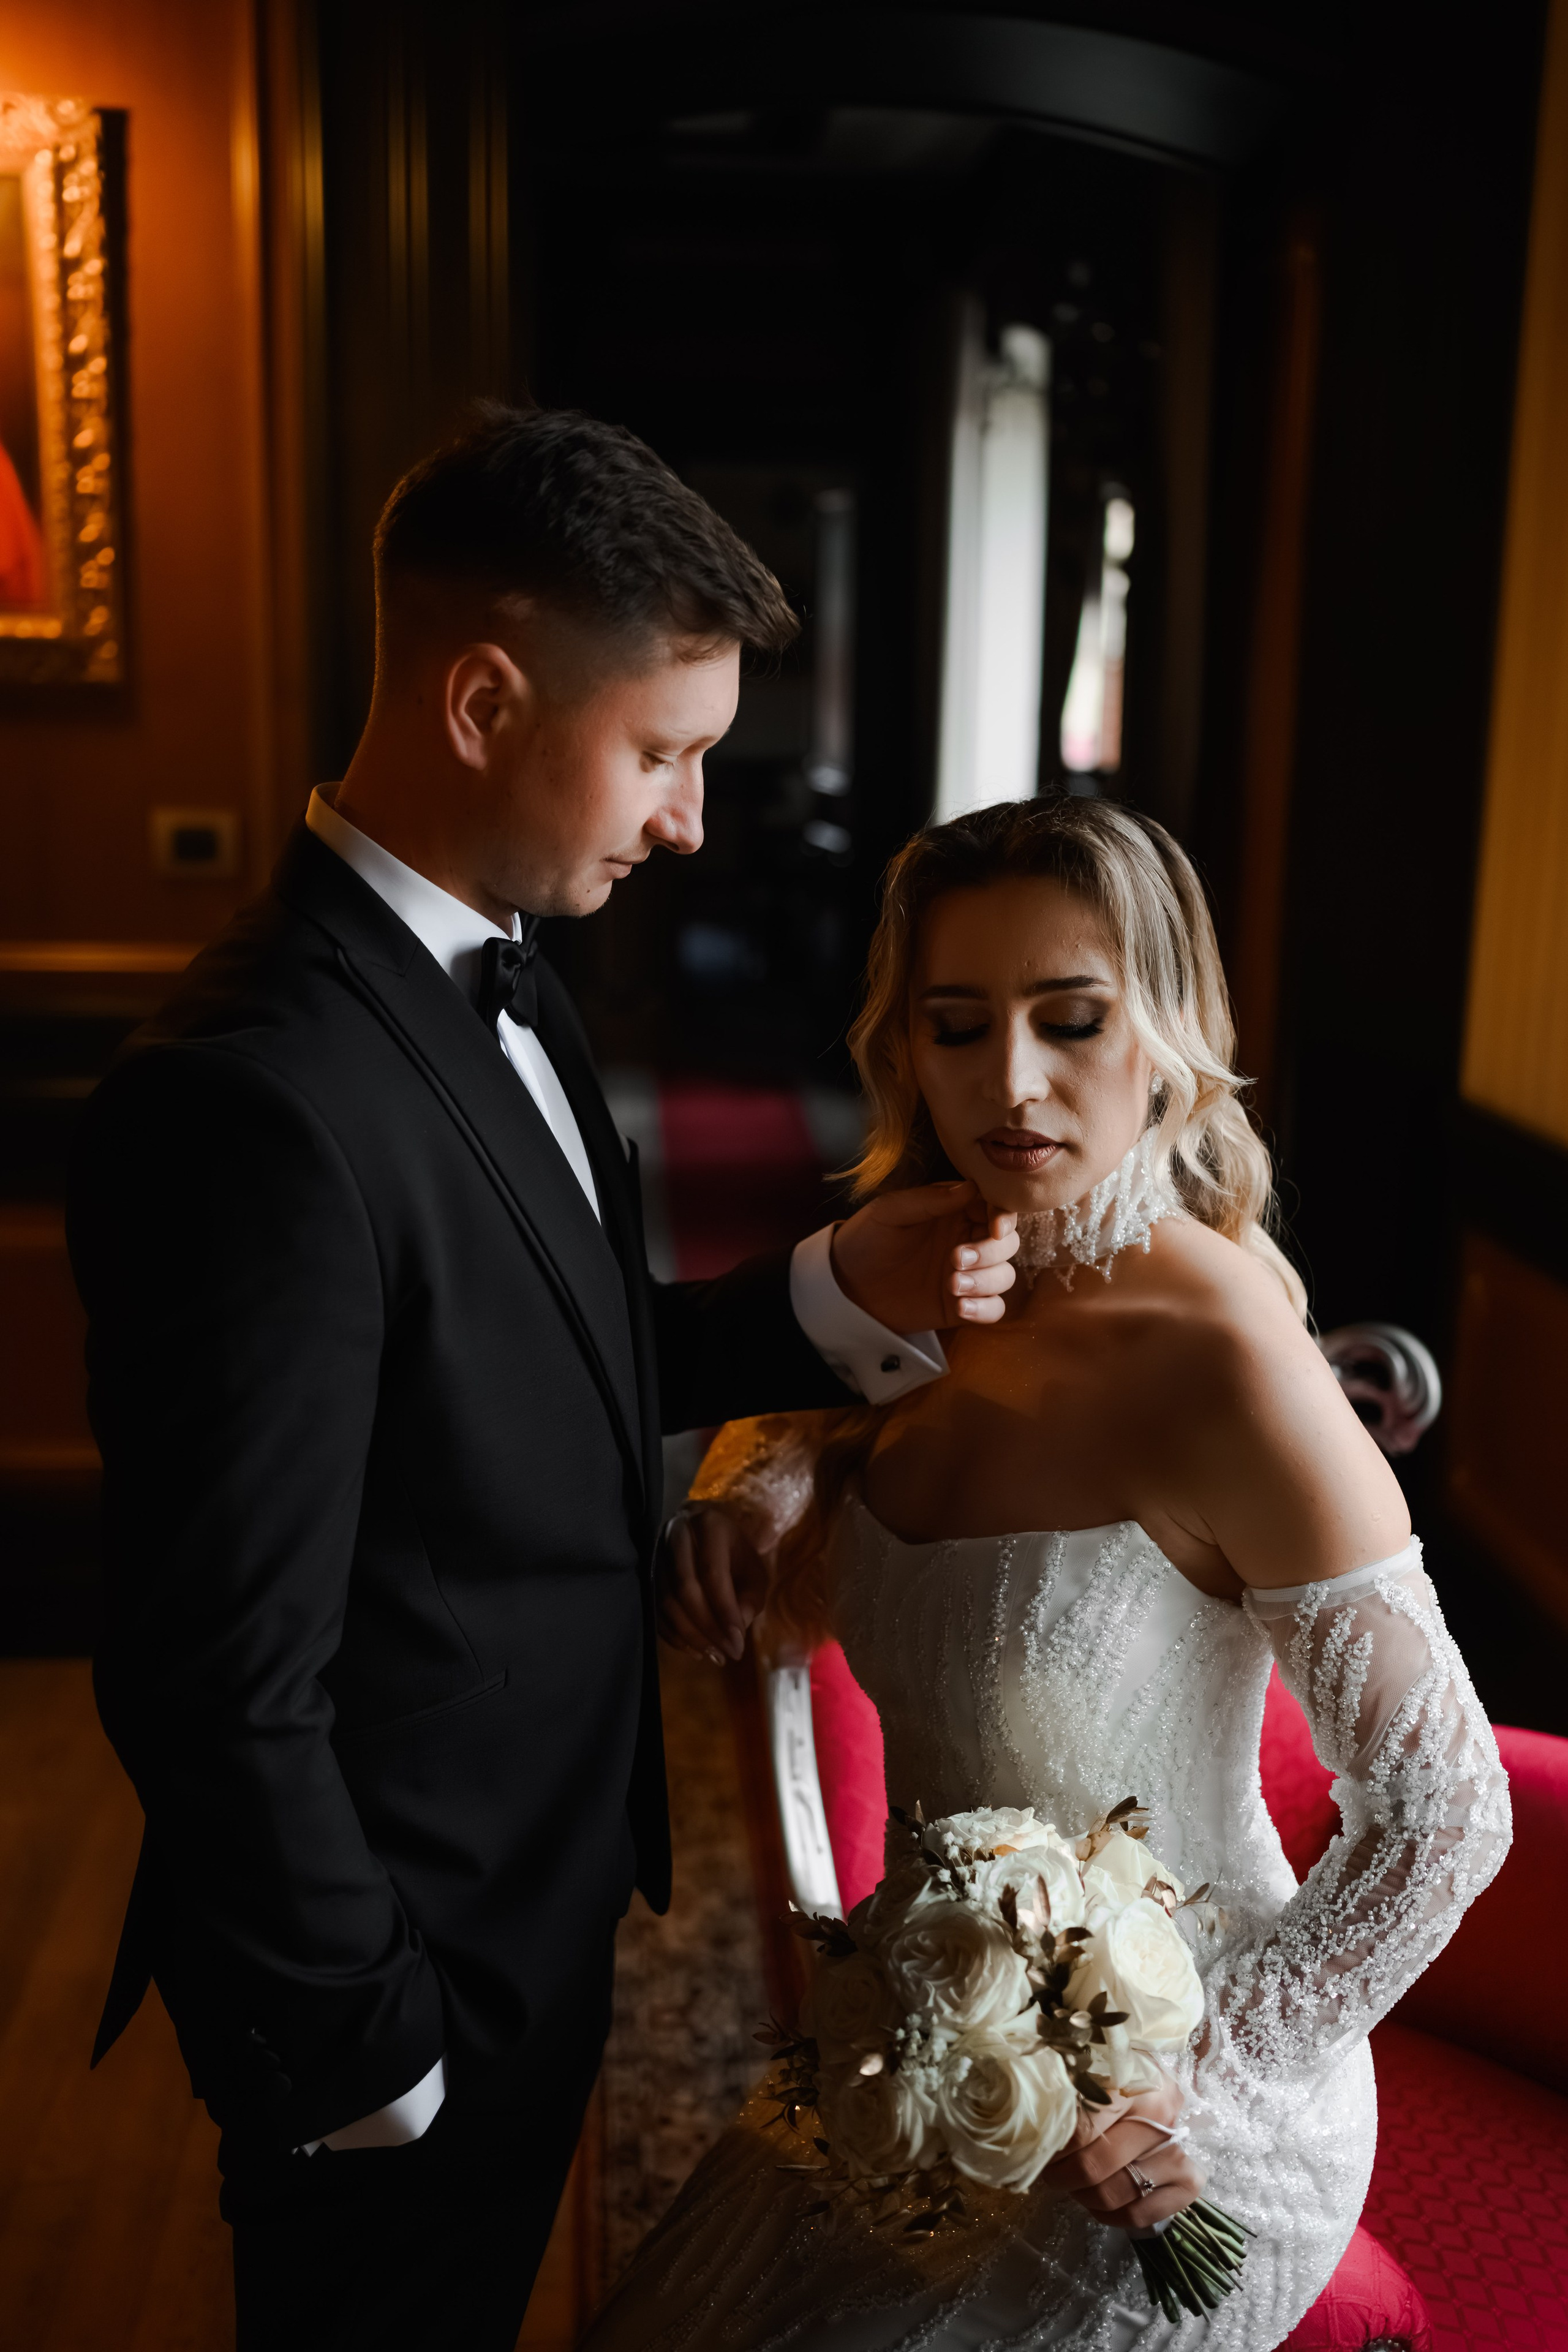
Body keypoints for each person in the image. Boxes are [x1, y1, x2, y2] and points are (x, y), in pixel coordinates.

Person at [66, 405, 1019, 2352]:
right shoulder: (250, 1100)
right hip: (397, 1989)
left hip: (534, 1896)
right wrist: (369, 2050)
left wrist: (834, 1291)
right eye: (662, 754)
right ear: (486, 699)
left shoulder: (509, 968)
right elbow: (208, 1668)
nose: (685, 818)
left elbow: (532, 1373)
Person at [584, 793, 1511, 2352]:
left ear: (1163, 1033)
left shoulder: (1224, 1362)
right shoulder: (921, 1262)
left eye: (1068, 1020)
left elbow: (1447, 1813)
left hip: (1181, 2131)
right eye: (957, 1027)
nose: (1008, 1084)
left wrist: (1183, 2090)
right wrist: (758, 1484)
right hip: (928, 2041)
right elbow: (817, 1403)